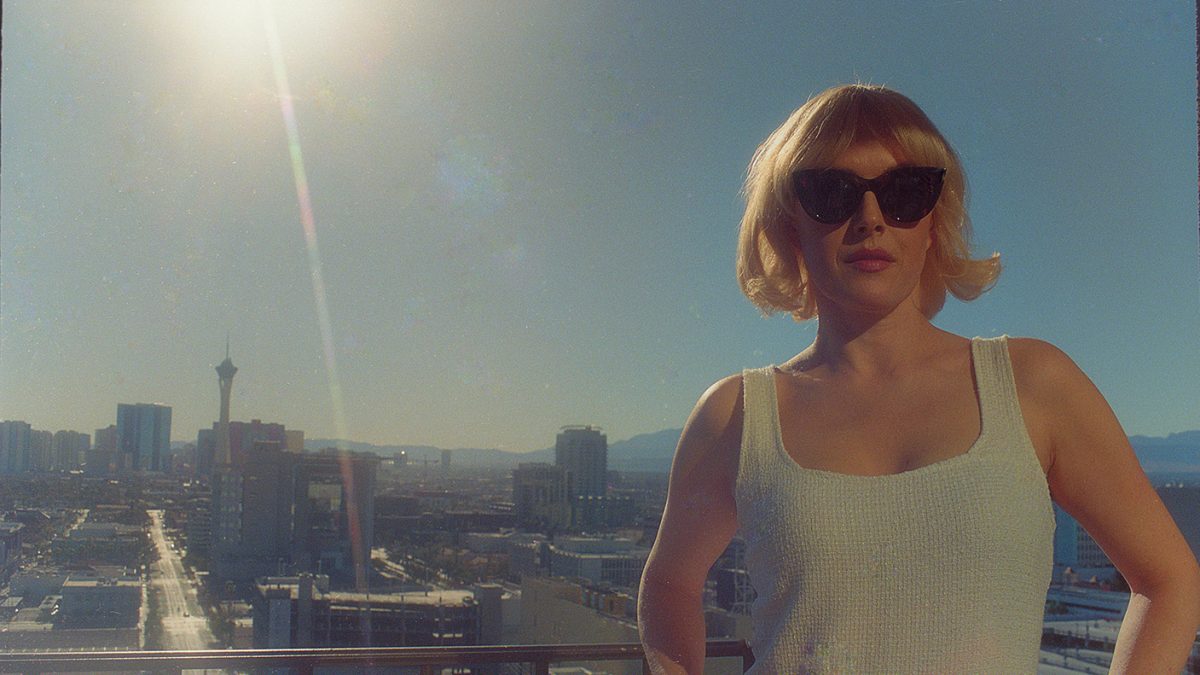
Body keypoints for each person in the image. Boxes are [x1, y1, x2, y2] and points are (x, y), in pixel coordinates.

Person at [637, 84, 1200, 673]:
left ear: (934, 221)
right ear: (789, 223)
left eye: (905, 193)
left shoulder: (1032, 384)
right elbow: (670, 583)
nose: (870, 219)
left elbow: (1169, 580)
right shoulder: (737, 414)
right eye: (832, 192)